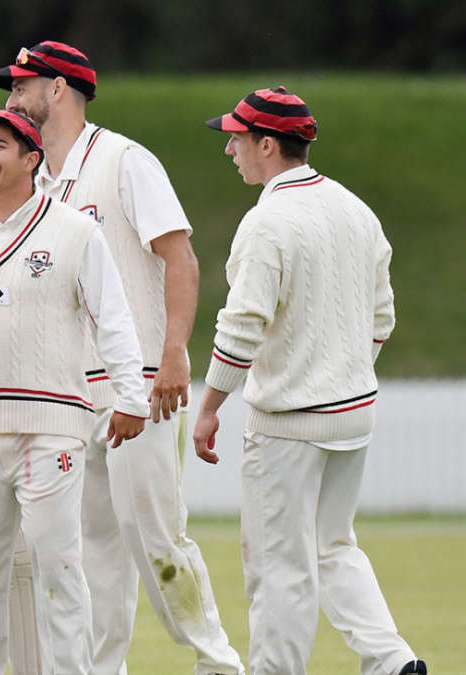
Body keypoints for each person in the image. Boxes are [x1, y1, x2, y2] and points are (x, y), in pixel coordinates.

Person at [0, 40, 244, 674]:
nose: (10, 98)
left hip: (140, 388)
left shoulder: (126, 161)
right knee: (89, 552)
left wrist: (173, 354)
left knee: (157, 540)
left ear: (58, 90)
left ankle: (219, 666)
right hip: (70, 396)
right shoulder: (36, 180)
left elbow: (178, 257)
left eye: (21, 86)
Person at [195, 86, 426, 675]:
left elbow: (242, 325)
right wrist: (344, 369)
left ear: (267, 144)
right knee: (332, 548)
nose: (231, 150)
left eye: (237, 139)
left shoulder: (267, 222)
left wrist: (210, 405)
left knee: (278, 566)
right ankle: (393, 662)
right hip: (352, 414)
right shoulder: (355, 209)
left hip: (290, 425)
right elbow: (383, 316)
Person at [0, 109, 147, 675]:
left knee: (59, 569)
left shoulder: (76, 231)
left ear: (32, 160)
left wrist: (130, 397)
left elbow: (114, 319)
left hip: (51, 426)